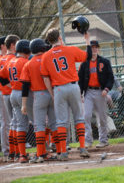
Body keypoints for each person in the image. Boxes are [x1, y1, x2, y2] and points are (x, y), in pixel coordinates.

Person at [40, 28, 91, 160]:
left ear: (49, 41)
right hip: (73, 86)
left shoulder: (46, 56)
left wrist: (52, 93)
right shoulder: (70, 49)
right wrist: (87, 40)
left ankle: (63, 152)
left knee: (61, 122)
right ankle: (83, 148)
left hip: (58, 89)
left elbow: (45, 78)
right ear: (60, 38)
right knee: (79, 118)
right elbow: (88, 56)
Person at [20, 38, 59, 163]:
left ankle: (41, 153)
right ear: (43, 47)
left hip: (39, 95)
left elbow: (25, 86)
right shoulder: (49, 59)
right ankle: (60, 150)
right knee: (54, 123)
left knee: (39, 125)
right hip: (53, 93)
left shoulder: (28, 63)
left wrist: (24, 104)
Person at [0, 39, 32, 163]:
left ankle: (15, 153)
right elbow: (28, 82)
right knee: (33, 122)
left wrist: (11, 86)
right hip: (24, 94)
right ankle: (25, 154)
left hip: (13, 93)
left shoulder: (11, 61)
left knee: (16, 123)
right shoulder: (24, 61)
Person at [78, 40, 114, 149]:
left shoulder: (104, 61)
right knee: (86, 116)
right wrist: (80, 94)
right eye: (92, 47)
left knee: (102, 117)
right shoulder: (84, 63)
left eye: (96, 47)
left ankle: (103, 140)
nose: (94, 49)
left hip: (100, 92)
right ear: (89, 49)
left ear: (98, 49)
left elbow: (110, 77)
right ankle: (88, 141)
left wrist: (106, 89)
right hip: (88, 92)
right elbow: (80, 80)